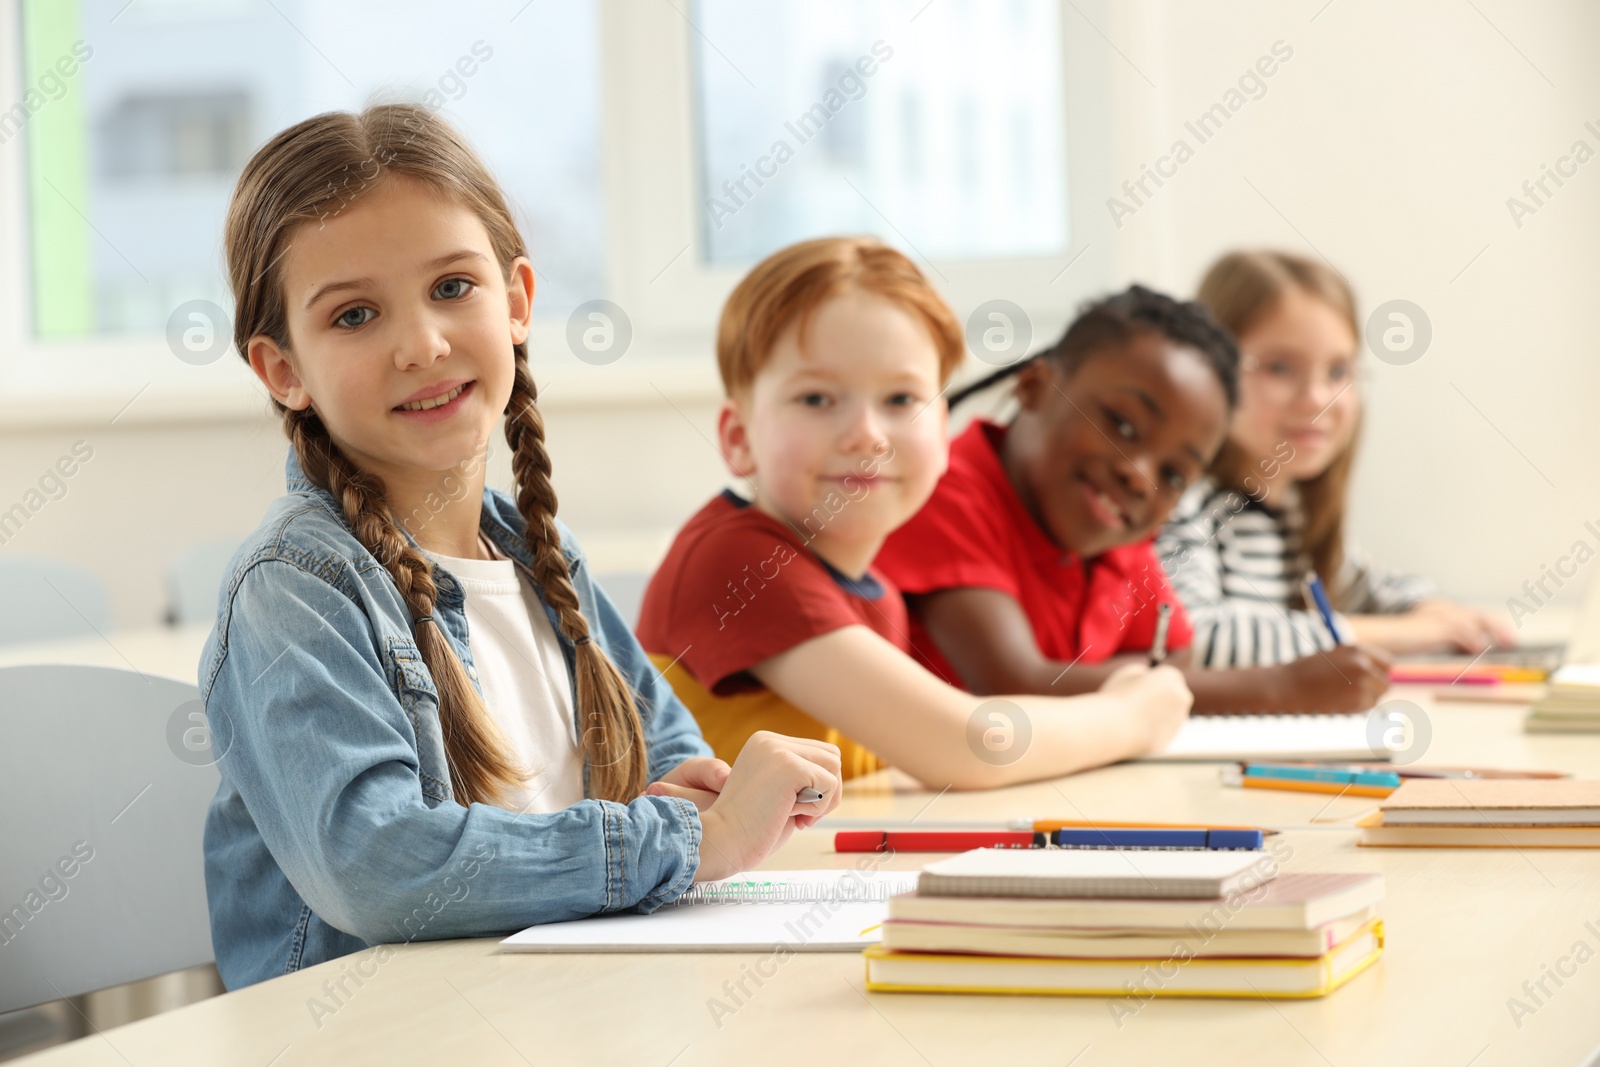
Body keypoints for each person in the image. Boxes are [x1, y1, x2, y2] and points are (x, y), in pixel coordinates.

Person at [202, 105, 839, 990]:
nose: (421, 343)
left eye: (453, 287)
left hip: (568, 1011)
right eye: (354, 315)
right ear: (283, 370)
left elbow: (670, 763)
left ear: (518, 303)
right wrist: (693, 839)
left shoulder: (541, 552)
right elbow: (380, 864)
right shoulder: (295, 588)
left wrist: (706, 806)